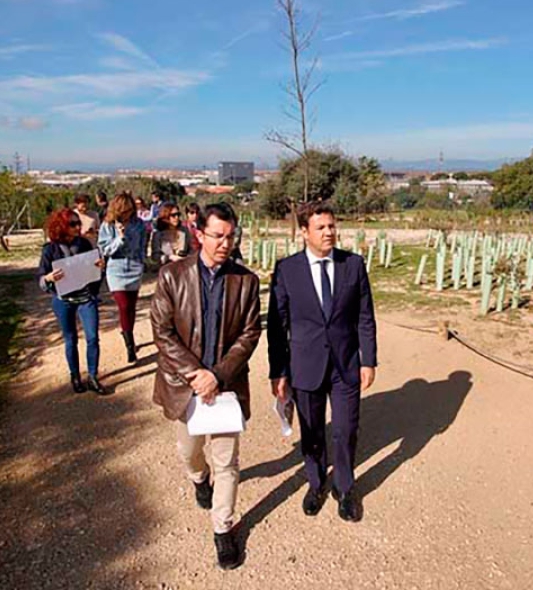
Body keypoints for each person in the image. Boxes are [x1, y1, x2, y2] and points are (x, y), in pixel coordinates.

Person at [150, 202, 261, 570]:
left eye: (231, 236)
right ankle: (199, 479)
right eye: (218, 235)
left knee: (227, 462)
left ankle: (222, 528)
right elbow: (162, 332)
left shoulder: (246, 281)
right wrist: (196, 375)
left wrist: (219, 374)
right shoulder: (171, 276)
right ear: (199, 234)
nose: (225, 243)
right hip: (186, 387)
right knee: (190, 453)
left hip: (226, 387)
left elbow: (249, 333)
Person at [267, 201, 378, 523]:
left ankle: (344, 488)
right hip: (305, 365)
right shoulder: (287, 270)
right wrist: (279, 371)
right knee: (312, 430)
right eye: (321, 227)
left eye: (332, 225)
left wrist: (368, 359)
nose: (329, 232)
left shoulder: (353, 265)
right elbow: (278, 326)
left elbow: (364, 317)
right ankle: (315, 483)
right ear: (304, 232)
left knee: (345, 430)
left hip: (346, 366)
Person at [37, 208, 107, 395]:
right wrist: (49, 278)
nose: (78, 227)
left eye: (79, 223)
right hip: (63, 300)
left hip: (86, 298)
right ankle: (75, 376)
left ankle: (93, 376)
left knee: (92, 337)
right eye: (73, 224)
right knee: (71, 339)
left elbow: (95, 272)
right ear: (61, 226)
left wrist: (100, 268)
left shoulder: (84, 244)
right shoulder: (50, 250)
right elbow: (41, 280)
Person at [98, 193, 148, 364]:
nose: (127, 214)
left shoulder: (139, 224)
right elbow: (104, 250)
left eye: (130, 210)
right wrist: (119, 239)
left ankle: (128, 332)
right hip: (116, 269)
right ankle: (129, 346)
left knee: (132, 307)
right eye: (125, 210)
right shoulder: (108, 225)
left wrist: (142, 261)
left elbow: (142, 245)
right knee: (124, 306)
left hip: (134, 267)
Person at [150, 202, 192, 266]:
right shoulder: (158, 234)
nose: (177, 217)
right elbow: (155, 256)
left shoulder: (184, 231)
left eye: (178, 214)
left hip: (183, 268)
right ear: (166, 216)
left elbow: (191, 250)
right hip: (166, 269)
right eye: (173, 215)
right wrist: (169, 257)